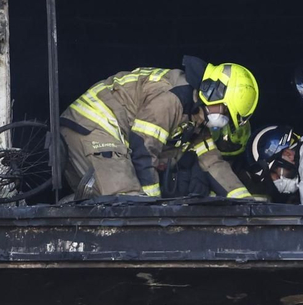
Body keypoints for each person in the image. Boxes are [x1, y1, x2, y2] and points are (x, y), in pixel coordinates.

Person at [61, 58, 259, 200]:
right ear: (213, 91)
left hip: (104, 132)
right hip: (92, 123)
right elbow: (143, 146)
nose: (222, 119)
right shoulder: (174, 98)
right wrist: (152, 203)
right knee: (127, 200)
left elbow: (214, 164)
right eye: (224, 111)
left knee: (126, 203)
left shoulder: (197, 117)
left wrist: (246, 204)